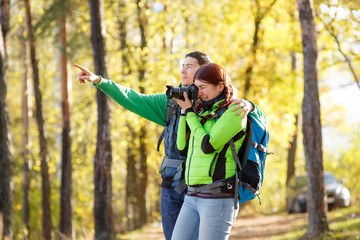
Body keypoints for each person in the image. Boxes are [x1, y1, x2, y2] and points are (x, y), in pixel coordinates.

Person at [74, 51, 264, 240]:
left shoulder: (224, 104)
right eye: (183, 66)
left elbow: (248, 121)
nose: (183, 71)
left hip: (212, 189)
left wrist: (250, 105)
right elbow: (132, 98)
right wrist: (99, 81)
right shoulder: (171, 103)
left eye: (190, 67)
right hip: (174, 185)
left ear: (204, 71)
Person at [172, 63, 255, 240]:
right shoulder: (202, 111)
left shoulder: (235, 111)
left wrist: (190, 113)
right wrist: (184, 112)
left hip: (218, 197)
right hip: (191, 195)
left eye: (203, 87)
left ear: (220, 86)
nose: (199, 92)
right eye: (196, 87)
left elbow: (208, 146)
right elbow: (181, 148)